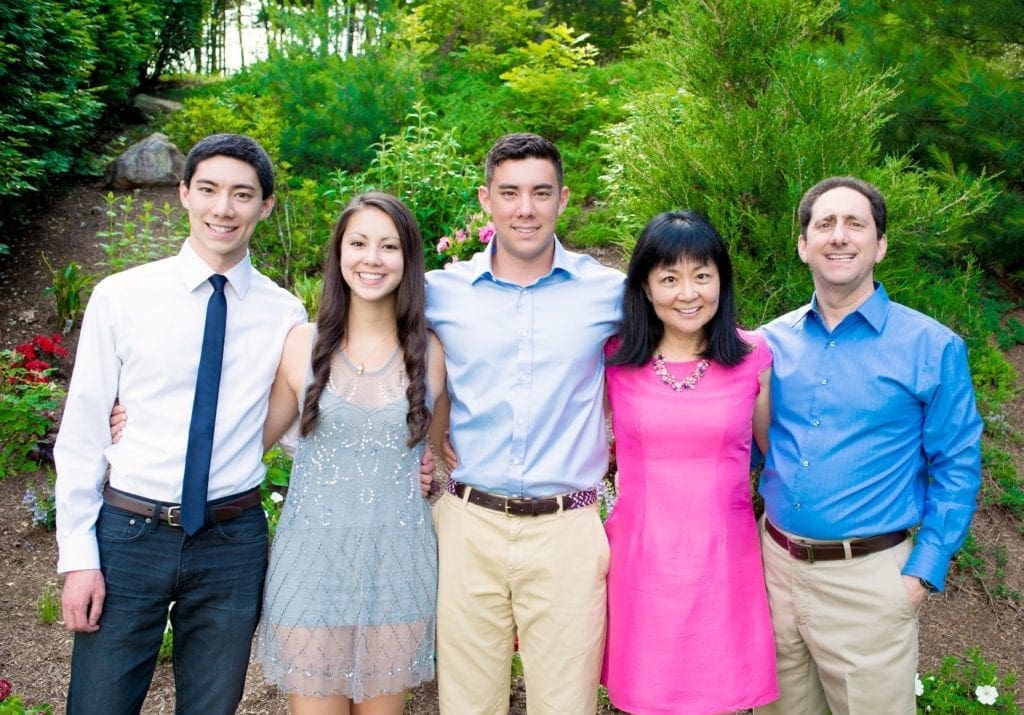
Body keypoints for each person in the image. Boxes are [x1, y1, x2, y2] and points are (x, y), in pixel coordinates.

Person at [54, 133, 307, 713]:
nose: (224, 208)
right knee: (98, 703)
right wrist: (79, 557)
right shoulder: (121, 297)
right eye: (210, 190)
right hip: (129, 532)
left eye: (242, 194)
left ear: (265, 206)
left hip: (231, 540)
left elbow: (297, 429)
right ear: (184, 194)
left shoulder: (284, 313)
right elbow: (85, 432)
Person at [755, 176, 983, 714]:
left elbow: (957, 466)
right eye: (824, 224)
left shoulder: (931, 347)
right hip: (772, 572)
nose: (839, 236)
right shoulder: (766, 344)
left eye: (855, 224)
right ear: (803, 244)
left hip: (869, 584)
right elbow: (739, 447)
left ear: (879, 244)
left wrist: (923, 571)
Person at [426, 132, 625, 713]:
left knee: (565, 703)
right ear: (486, 201)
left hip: (567, 526)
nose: (526, 209)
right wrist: (431, 426)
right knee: (466, 703)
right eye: (510, 193)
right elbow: (375, 353)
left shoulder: (609, 293)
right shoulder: (442, 292)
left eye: (541, 193)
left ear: (563, 199)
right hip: (468, 522)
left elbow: (688, 339)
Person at [253, 192, 445, 714]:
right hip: (310, 570)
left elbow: (449, 454)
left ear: (408, 259)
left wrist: (433, 479)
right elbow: (248, 442)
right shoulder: (301, 344)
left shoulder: (431, 354)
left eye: (388, 246)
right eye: (358, 243)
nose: (372, 258)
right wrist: (140, 422)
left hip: (398, 569)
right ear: (339, 254)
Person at [601, 211, 779, 714]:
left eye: (702, 275)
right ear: (645, 287)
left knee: (718, 698)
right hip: (641, 562)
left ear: (721, 280)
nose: (688, 293)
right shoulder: (615, 359)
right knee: (646, 699)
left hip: (725, 564)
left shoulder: (753, 356)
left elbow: (778, 461)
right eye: (670, 278)